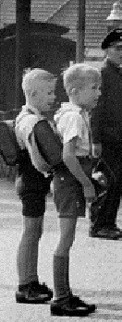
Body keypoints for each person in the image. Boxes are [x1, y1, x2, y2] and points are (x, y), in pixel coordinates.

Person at [51, 62, 102, 316]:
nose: (98, 93)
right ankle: (60, 298)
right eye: (94, 88)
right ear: (74, 90)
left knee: (67, 238)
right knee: (66, 238)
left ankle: (64, 293)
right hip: (70, 182)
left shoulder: (77, 113)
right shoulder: (73, 117)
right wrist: (86, 184)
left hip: (70, 181)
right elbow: (69, 156)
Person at [13, 69, 61, 304]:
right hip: (31, 182)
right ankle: (25, 284)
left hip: (31, 182)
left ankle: (30, 280)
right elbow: (39, 158)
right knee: (31, 233)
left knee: (34, 231)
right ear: (32, 94)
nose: (53, 97)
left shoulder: (26, 117)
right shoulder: (33, 122)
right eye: (49, 92)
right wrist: (50, 171)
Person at [90, 28, 122, 240]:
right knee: (106, 181)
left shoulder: (116, 72)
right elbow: (97, 109)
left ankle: (110, 222)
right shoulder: (103, 73)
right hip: (106, 138)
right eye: (118, 48)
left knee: (118, 181)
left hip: (118, 138)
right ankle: (99, 224)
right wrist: (95, 139)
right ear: (107, 50)